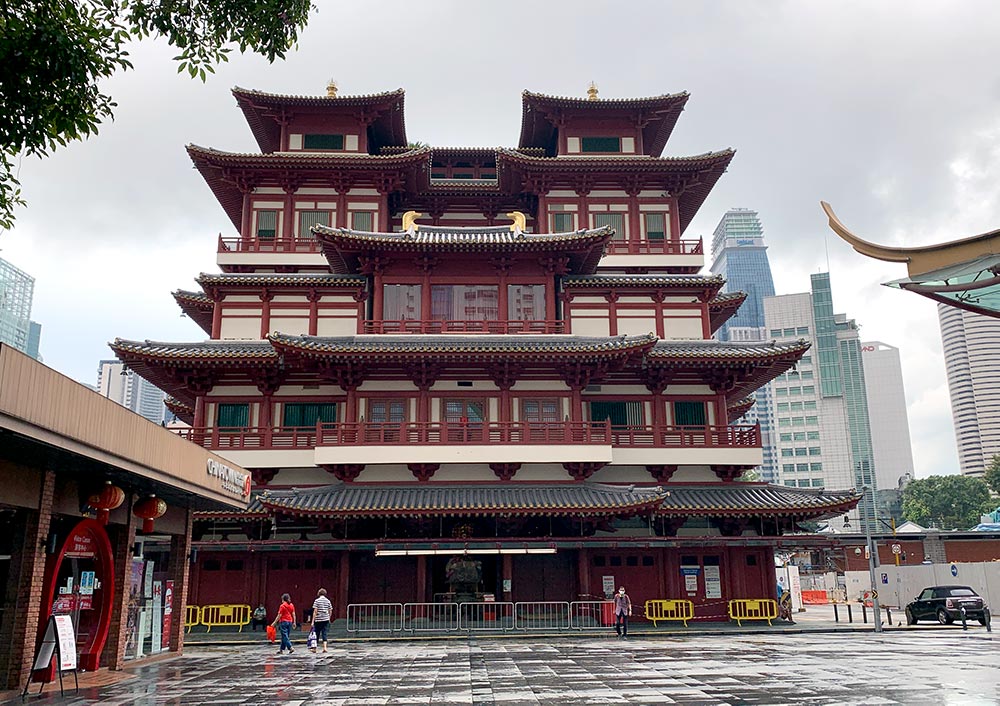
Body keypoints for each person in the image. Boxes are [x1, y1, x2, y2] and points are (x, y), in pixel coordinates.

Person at [311, 588, 333, 653]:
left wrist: (312, 621)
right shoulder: (328, 601)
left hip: (318, 619)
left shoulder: (316, 601)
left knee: (316, 633)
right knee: (324, 633)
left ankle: (315, 648)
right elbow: (330, 610)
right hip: (325, 619)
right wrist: (329, 617)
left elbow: (315, 611)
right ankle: (325, 648)